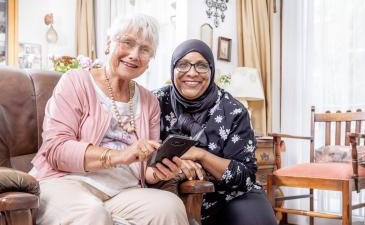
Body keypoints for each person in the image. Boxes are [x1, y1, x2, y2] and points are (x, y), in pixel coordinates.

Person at [30, 13, 189, 225]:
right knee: (92, 214)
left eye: (144, 49)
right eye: (127, 43)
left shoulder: (150, 101)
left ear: (150, 59)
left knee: (170, 207)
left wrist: (160, 171)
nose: (134, 55)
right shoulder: (75, 82)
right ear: (108, 44)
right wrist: (120, 156)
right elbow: (56, 149)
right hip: (67, 182)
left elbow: (146, 170)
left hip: (123, 191)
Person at [153, 39, 277, 225]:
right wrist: (178, 160)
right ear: (173, 69)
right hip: (169, 192)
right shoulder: (155, 101)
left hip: (229, 194)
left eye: (202, 66)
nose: (192, 72)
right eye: (183, 64)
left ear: (211, 71)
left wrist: (200, 155)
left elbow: (244, 176)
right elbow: (140, 149)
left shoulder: (233, 111)